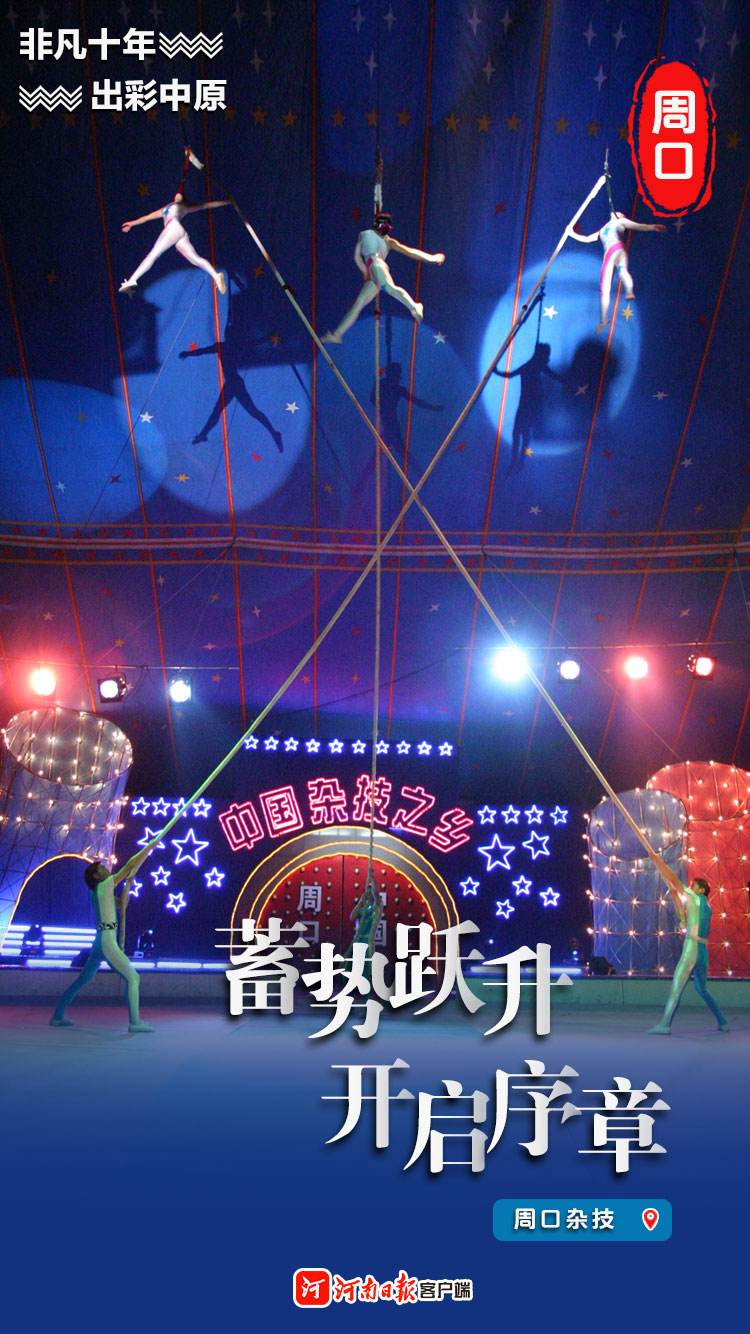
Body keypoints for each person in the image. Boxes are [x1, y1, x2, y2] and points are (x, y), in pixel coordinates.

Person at [50, 841, 160, 1032]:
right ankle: (135, 1023)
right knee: (133, 978)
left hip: (100, 941)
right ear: (96, 876)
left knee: (82, 980)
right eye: (102, 868)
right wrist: (149, 847)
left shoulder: (99, 892)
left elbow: (121, 904)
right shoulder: (104, 885)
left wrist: (127, 888)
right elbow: (130, 865)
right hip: (107, 940)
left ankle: (57, 1016)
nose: (106, 870)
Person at [322, 212, 444, 343]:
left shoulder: (387, 240)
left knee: (390, 288)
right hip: (373, 274)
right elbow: (357, 257)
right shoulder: (366, 234)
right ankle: (337, 334)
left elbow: (409, 251)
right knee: (358, 304)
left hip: (377, 265)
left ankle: (415, 306)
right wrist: (365, 271)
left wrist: (432, 258)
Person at [646, 857, 729, 1035]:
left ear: (701, 890)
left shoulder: (695, 898)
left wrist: (658, 861)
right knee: (702, 990)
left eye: (694, 886)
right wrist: (676, 900)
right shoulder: (707, 907)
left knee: (676, 989)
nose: (690, 888)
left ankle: (665, 1025)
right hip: (703, 953)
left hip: (692, 950)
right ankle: (723, 1022)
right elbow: (684, 914)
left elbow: (674, 880)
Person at [566, 209, 666, 332]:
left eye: (620, 213)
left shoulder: (621, 222)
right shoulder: (603, 229)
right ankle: (603, 319)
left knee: (622, 271)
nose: (616, 212)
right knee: (604, 289)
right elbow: (587, 239)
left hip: (617, 249)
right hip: (608, 257)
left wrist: (653, 227)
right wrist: (571, 233)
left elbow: (640, 226)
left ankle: (629, 291)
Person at [119, 192, 231, 295]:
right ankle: (216, 276)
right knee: (194, 259)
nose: (178, 194)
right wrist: (132, 224)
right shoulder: (164, 209)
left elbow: (206, 205)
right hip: (179, 233)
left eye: (180, 194)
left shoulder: (184, 206)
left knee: (153, 255)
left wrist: (226, 202)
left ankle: (132, 280)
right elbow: (147, 217)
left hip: (173, 226)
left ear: (183, 199)